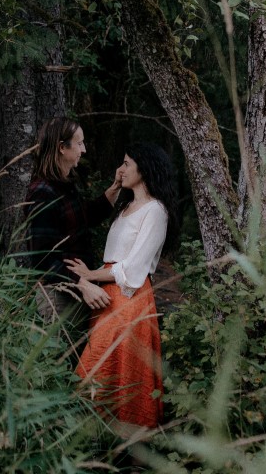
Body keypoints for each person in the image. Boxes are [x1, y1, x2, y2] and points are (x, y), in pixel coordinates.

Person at [66, 142, 181, 435]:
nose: (121, 168)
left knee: (116, 375)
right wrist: (115, 185)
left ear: (144, 168)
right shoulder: (126, 207)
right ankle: (98, 448)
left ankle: (132, 456)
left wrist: (89, 275)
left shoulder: (155, 211)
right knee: (102, 374)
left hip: (129, 300)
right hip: (108, 300)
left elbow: (132, 270)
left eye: (127, 163)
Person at [23, 116, 120, 350]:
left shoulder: (64, 185)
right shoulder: (42, 192)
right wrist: (83, 284)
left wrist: (116, 187)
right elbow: (42, 259)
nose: (83, 149)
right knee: (62, 366)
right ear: (61, 147)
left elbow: (84, 217)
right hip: (60, 296)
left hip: (75, 291)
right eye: (79, 143)